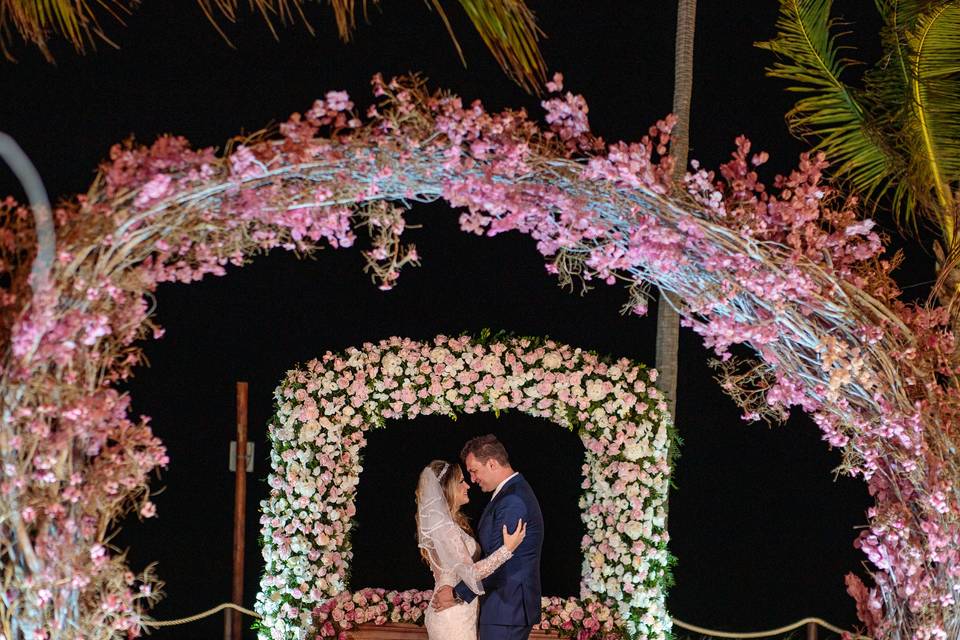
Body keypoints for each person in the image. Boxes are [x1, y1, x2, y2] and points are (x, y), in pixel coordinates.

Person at [433, 435, 544, 640]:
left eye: (474, 471)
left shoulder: (512, 500)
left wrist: (456, 594)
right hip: (503, 608)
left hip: (506, 608)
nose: (472, 480)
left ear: (492, 464)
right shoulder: (510, 493)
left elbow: (500, 561)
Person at [417, 459, 527, 640]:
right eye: (461, 481)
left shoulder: (448, 526)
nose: (468, 485)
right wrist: (507, 549)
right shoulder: (445, 529)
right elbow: (471, 573)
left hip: (457, 609)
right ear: (447, 488)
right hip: (452, 614)